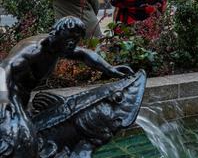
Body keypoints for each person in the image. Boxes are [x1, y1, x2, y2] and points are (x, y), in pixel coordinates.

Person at [0, 16, 133, 110]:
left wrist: (110, 69)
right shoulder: (34, 51)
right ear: (55, 34)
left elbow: (84, 54)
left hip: (23, 93)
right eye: (69, 39)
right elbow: (4, 69)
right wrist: (4, 99)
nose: (72, 44)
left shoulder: (59, 46)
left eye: (75, 40)